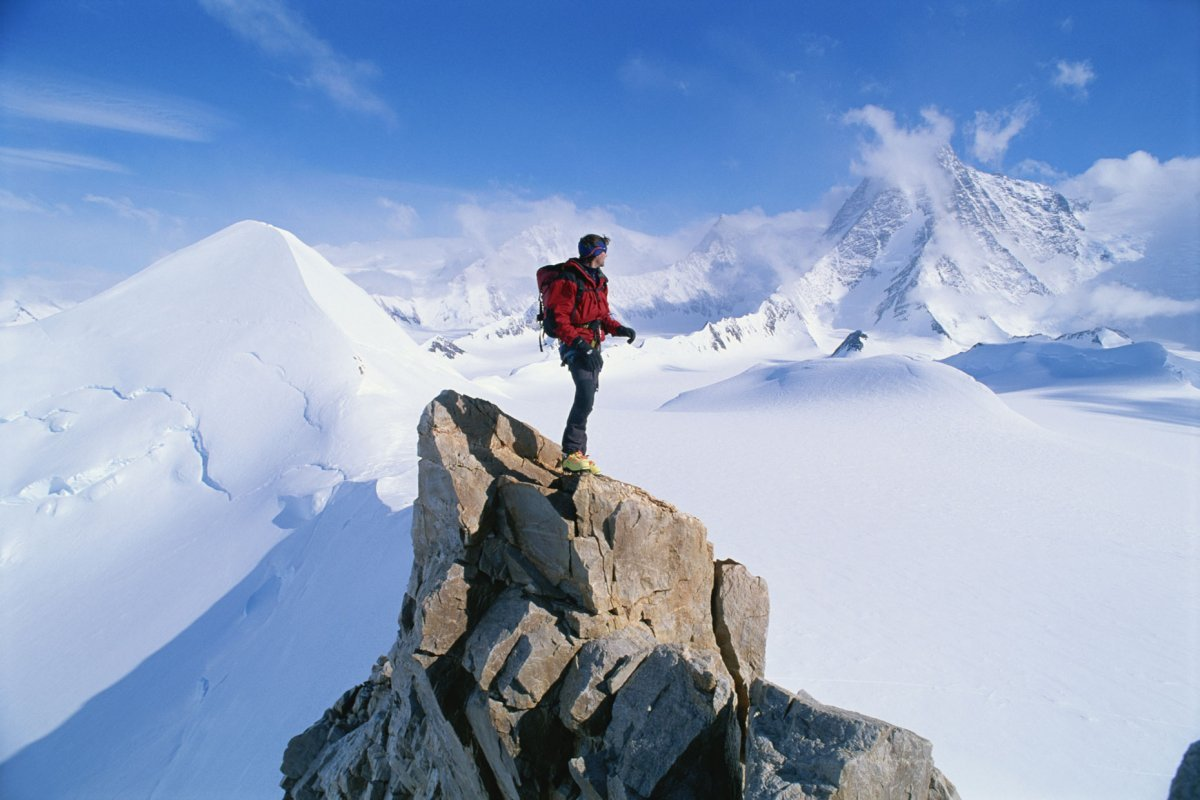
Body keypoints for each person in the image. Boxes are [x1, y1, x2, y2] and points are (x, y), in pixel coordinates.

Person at [542, 234, 636, 474]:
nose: (607, 255)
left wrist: (619, 329)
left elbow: (601, 315)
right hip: (576, 345)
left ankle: (578, 456)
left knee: (588, 399)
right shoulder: (570, 279)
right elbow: (560, 320)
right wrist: (580, 345)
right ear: (596, 252)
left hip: (593, 345)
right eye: (604, 250)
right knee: (584, 393)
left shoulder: (599, 280)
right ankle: (571, 452)